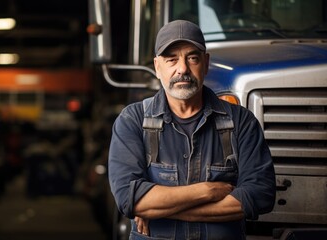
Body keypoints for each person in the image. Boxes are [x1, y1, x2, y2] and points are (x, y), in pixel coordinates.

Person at [108, 20, 276, 239]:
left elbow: (260, 195)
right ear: (157, 67)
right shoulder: (133, 120)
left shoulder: (241, 122)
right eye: (172, 60)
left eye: (192, 58)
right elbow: (128, 199)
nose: (183, 69)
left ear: (205, 64)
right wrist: (207, 191)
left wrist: (159, 208)